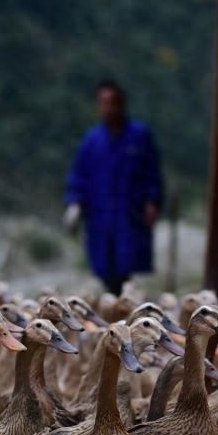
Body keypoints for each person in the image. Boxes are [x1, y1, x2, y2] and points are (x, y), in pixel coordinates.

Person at [64, 80, 163, 295]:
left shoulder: (139, 136)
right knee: (104, 267)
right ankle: (112, 305)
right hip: (100, 215)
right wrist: (74, 203)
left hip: (129, 214)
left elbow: (152, 173)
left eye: (113, 102)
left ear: (122, 104)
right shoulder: (92, 141)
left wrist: (152, 201)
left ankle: (125, 308)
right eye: (103, 103)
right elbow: (78, 174)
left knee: (127, 264)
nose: (109, 108)